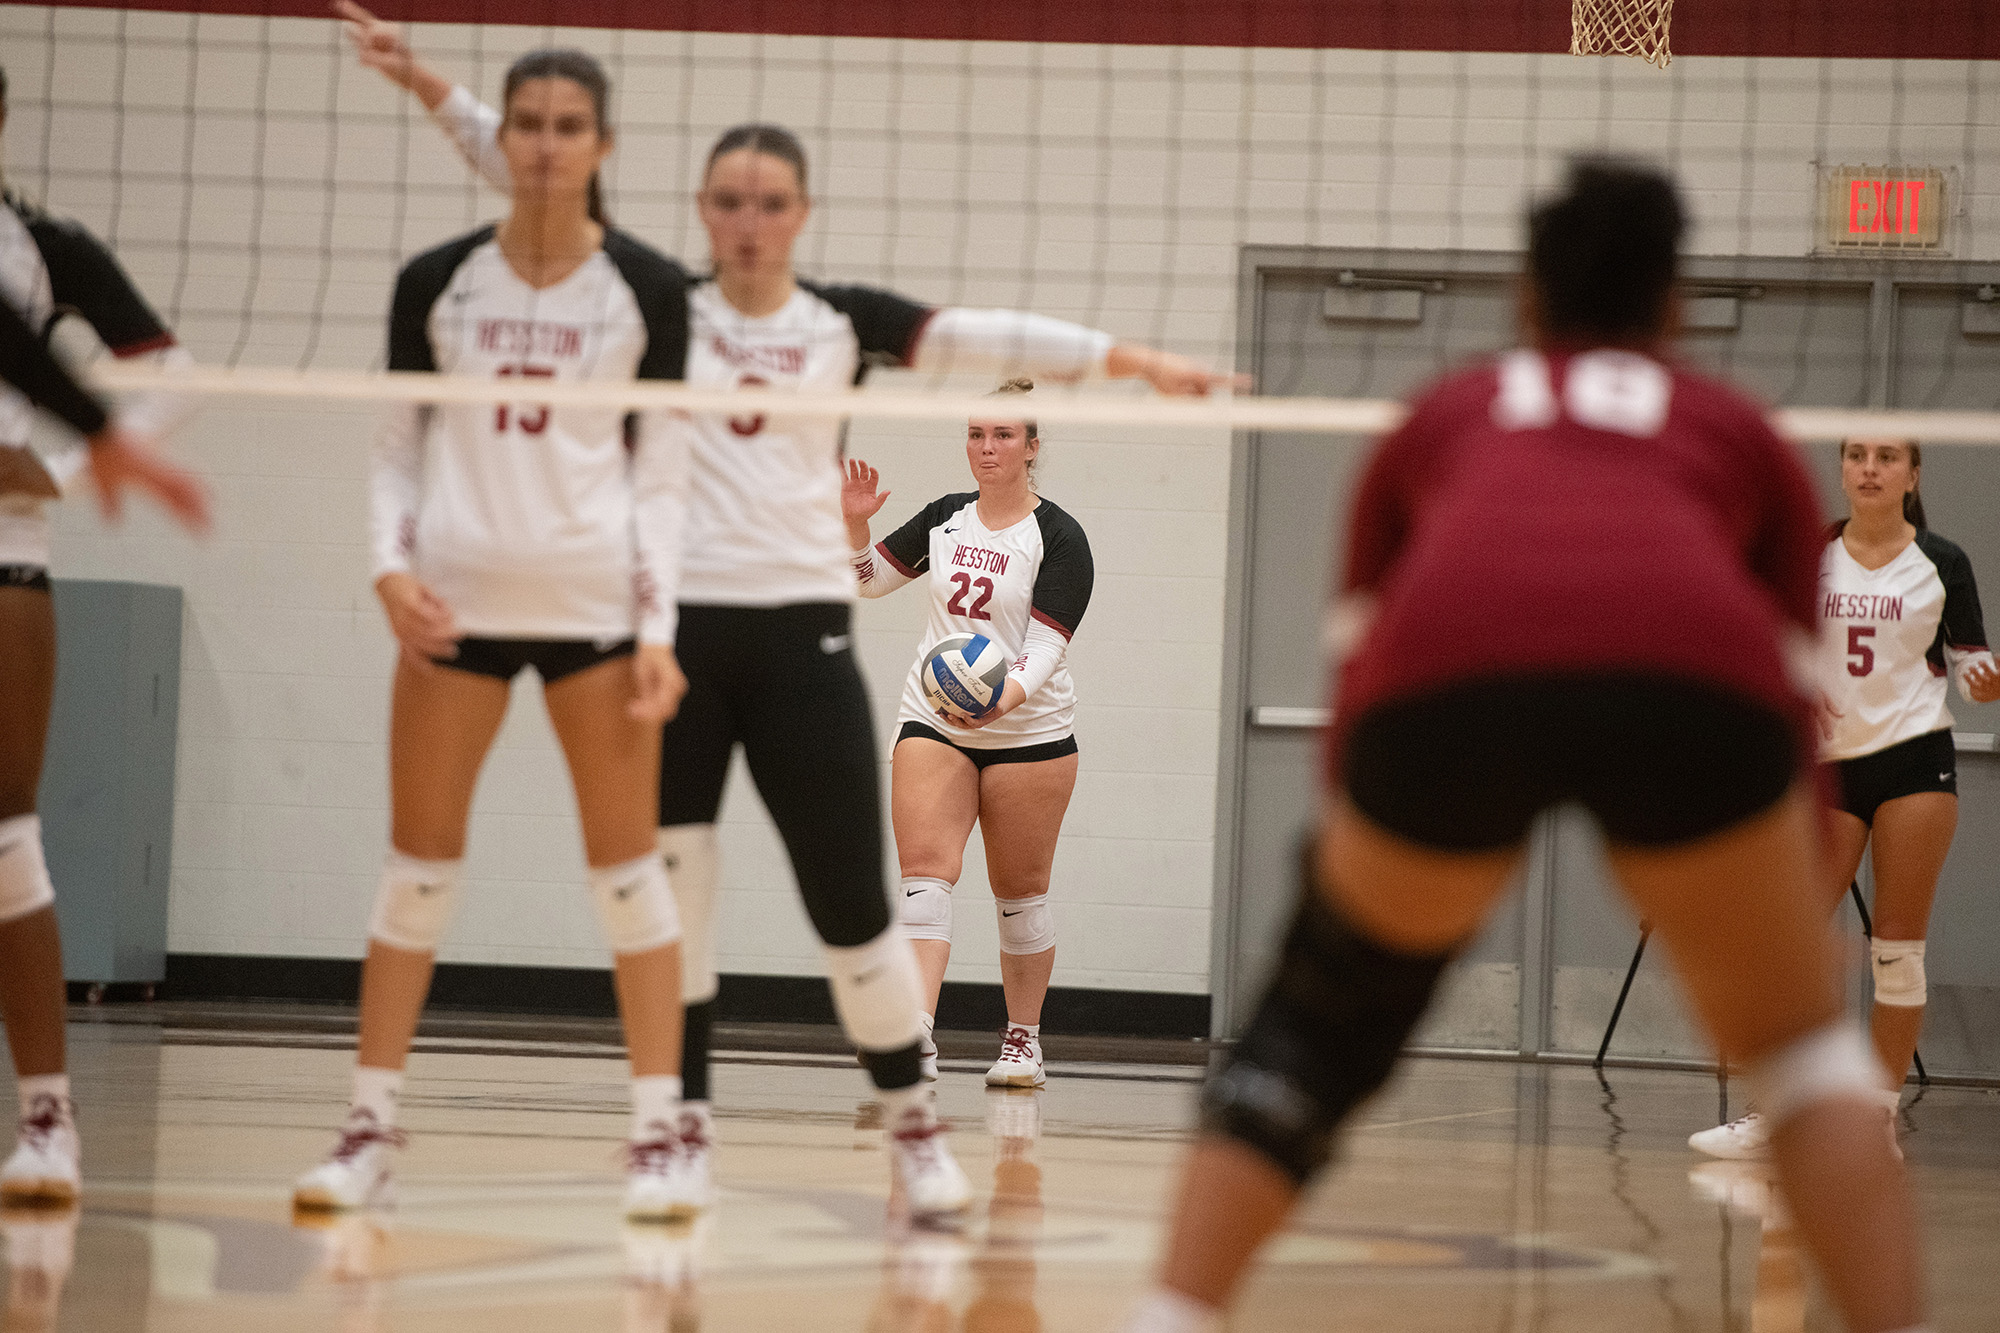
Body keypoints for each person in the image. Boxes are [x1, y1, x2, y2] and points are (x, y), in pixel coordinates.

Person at [335, 0, 1237, 1219]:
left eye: (769, 203)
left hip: (804, 643)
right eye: (726, 202)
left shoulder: (838, 324)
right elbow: (538, 173)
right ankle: (680, 1126)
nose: (748, 222)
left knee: (855, 908)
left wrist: (1132, 359)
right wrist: (426, 83)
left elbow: (976, 330)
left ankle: (914, 1129)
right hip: (679, 641)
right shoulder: (657, 305)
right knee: (677, 898)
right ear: (701, 215)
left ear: (800, 215)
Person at [1122, 159, 1929, 1333]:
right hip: (1688, 683)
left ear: (1525, 298)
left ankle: (1167, 1316)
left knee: (1312, 1035)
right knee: (1805, 1061)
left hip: (1450, 676)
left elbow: (1360, 660)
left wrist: (1355, 864)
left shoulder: (1447, 412)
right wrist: (1759, 876)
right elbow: (1787, 690)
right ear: (1670, 306)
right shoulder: (1734, 428)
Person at [289, 48, 696, 1221]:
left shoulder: (647, 291)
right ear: (502, 135)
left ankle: (658, 1130)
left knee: (628, 880)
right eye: (527, 121)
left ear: (602, 147)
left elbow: (663, 476)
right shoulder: (437, 279)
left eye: (570, 124)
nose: (546, 142)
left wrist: (658, 623)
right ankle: (368, 1125)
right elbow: (396, 444)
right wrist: (385, 569)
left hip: (594, 618)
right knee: (416, 870)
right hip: (454, 605)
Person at [2, 60, 210, 1205]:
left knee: (5, 835)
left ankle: (46, 1117)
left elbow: (171, 370)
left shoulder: (39, 243)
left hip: (6, 553)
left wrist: (74, 462)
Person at [1691, 437, 1998, 1159]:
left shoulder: (1943, 561)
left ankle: (1878, 1121)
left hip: (1916, 762)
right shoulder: (1811, 552)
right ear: (1842, 468)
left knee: (1897, 950)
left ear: (1913, 475)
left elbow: (1973, 659)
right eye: (1856, 454)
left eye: (1887, 457)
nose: (1868, 467)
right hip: (1830, 770)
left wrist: (1987, 678)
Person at [843, 379, 1092, 1088]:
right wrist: (855, 525)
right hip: (935, 717)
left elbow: (1046, 649)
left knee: (1020, 894)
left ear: (1032, 446)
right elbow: (865, 580)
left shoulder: (1059, 537)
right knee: (924, 873)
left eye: (1004, 435)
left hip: (1028, 730)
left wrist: (998, 701)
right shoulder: (945, 517)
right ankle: (916, 1033)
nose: (987, 447)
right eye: (977, 434)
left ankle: (1022, 1039)